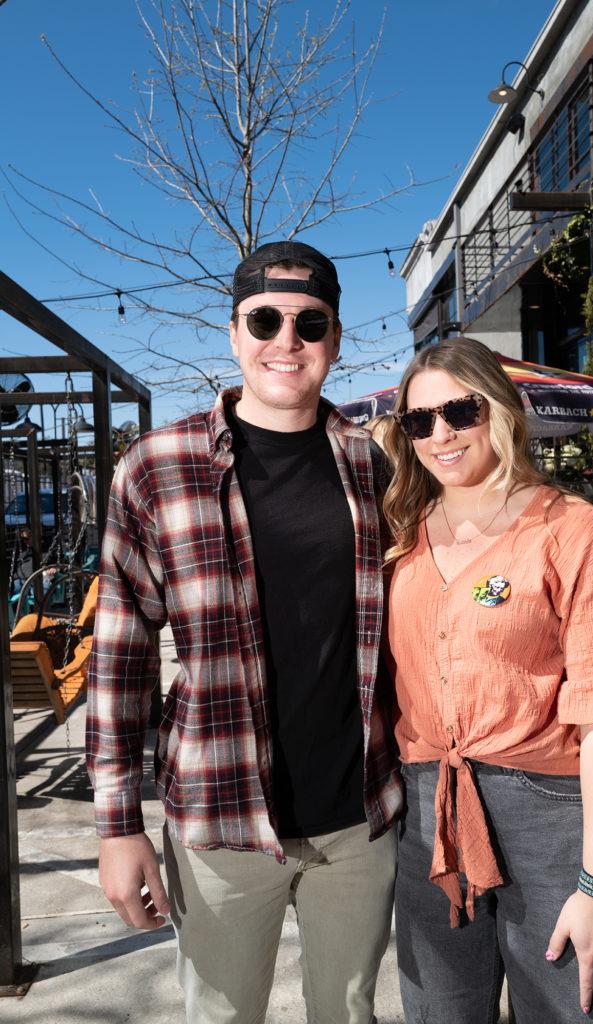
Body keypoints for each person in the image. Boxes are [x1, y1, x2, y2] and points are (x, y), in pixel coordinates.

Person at [86, 240, 402, 1024]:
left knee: (351, 1014)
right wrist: (117, 826)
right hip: (220, 820)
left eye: (309, 323)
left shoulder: (377, 468)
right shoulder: (157, 466)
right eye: (264, 320)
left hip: (358, 819)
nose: (285, 342)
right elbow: (119, 661)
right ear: (233, 333)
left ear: (334, 337)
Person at [381, 338, 593, 1024]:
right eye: (419, 421)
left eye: (460, 410)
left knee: (572, 1010)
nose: (440, 434)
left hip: (551, 820)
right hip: (430, 819)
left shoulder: (570, 530)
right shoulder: (401, 535)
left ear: (503, 410)